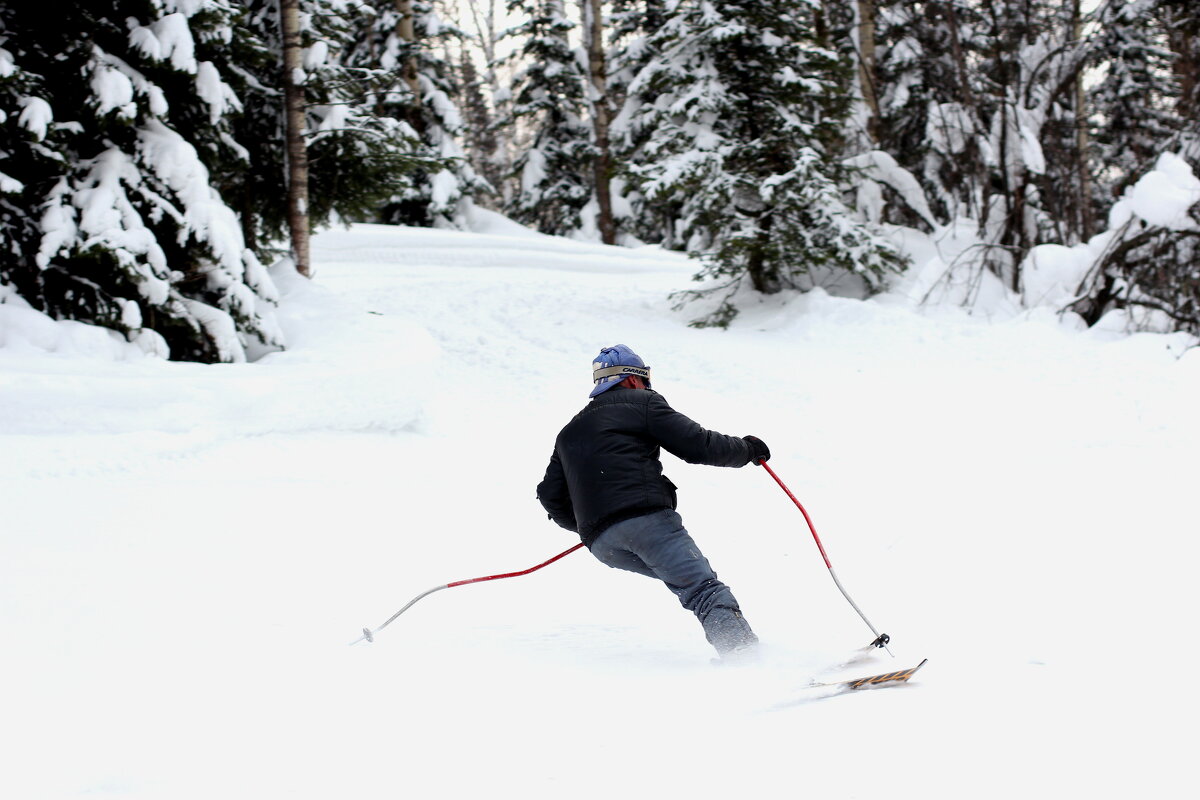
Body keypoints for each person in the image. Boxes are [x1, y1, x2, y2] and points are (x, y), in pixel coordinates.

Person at [536, 344, 771, 658]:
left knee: (690, 585)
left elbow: (550, 495)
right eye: (646, 379)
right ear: (634, 380)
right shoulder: (641, 402)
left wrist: (592, 525)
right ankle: (749, 662)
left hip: (604, 546)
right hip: (646, 522)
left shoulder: (569, 432)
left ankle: (743, 653)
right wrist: (747, 449)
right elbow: (699, 445)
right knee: (702, 590)